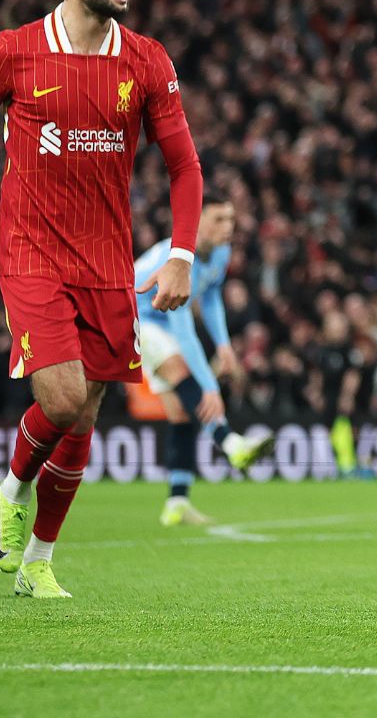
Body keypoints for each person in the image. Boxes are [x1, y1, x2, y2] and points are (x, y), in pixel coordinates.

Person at [0, 0, 203, 598]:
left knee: (84, 415)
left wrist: (181, 255)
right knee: (58, 397)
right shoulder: (14, 52)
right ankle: (12, 487)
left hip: (107, 257)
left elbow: (184, 165)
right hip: (29, 248)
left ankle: (39, 563)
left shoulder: (147, 60)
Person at [135, 195, 273, 526]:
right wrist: (209, 387)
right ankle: (231, 443)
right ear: (195, 222)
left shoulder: (221, 253)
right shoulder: (181, 260)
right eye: (219, 220)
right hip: (134, 315)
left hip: (161, 320)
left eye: (230, 219)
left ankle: (177, 502)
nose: (228, 228)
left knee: (182, 413)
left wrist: (224, 347)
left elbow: (210, 298)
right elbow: (184, 332)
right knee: (184, 372)